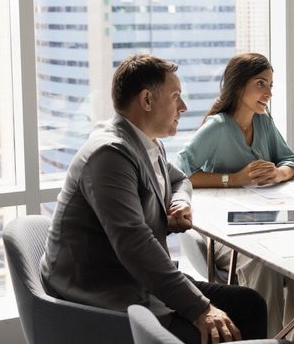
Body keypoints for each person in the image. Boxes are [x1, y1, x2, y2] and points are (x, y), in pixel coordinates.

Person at [40, 54, 267, 343]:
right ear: (146, 100)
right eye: (176, 97)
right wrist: (200, 309)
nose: (183, 107)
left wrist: (178, 203)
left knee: (250, 305)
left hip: (135, 281)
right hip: (109, 296)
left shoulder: (145, 142)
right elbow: (135, 244)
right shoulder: (109, 155)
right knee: (223, 327)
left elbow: (179, 179)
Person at [175, 52, 294, 343]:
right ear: (239, 86)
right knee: (261, 263)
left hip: (266, 223)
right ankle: (266, 340)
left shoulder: (264, 123)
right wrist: (235, 179)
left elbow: (292, 161)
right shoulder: (217, 127)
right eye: (261, 84)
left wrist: (278, 174)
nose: (269, 92)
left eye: (270, 84)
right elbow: (181, 172)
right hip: (225, 235)